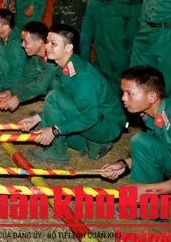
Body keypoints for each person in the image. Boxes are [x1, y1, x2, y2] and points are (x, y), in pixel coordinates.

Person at [20, 25, 126, 164]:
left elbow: (89, 117)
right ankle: (93, 145)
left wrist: (55, 130)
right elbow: (69, 103)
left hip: (106, 125)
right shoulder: (65, 68)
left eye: (54, 44)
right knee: (46, 125)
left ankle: (58, 152)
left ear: (68, 48)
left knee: (53, 99)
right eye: (47, 42)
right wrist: (38, 118)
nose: (47, 47)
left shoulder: (81, 75)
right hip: (96, 120)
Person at [101, 66, 171, 210]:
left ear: (152, 96)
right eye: (123, 92)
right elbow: (155, 150)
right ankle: (146, 207)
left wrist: (149, 190)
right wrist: (123, 165)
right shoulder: (151, 114)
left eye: (129, 93)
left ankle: (149, 204)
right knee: (142, 141)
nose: (123, 98)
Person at [0, 22, 57, 112]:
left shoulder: (53, 59)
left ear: (39, 42)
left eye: (26, 41)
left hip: (70, 99)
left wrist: (18, 98)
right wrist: (11, 92)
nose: (22, 45)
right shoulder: (36, 57)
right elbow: (27, 79)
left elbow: (40, 87)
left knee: (54, 84)